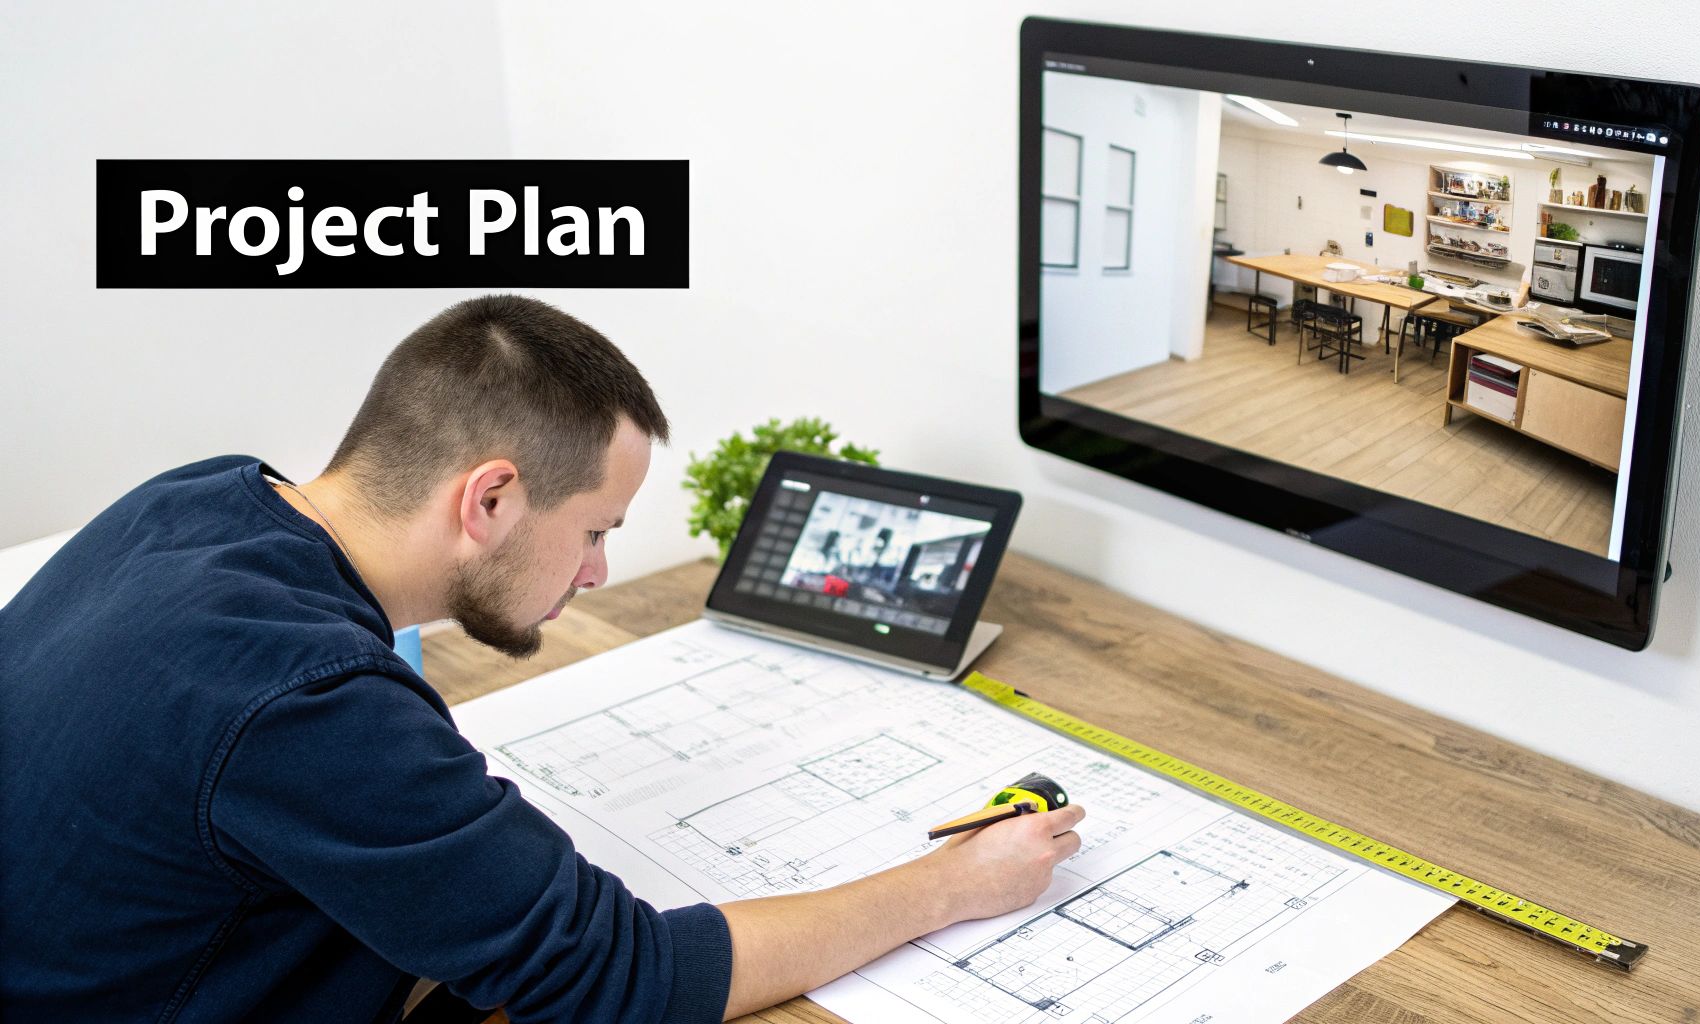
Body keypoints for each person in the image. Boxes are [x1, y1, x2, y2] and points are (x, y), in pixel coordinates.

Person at [0, 295, 1085, 1022]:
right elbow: (620, 976)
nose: (600, 571)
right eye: (596, 530)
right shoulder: (308, 702)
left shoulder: (201, 496)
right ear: (489, 498)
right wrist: (950, 884)